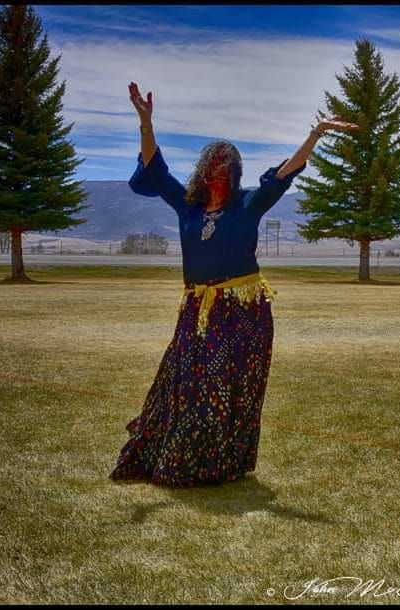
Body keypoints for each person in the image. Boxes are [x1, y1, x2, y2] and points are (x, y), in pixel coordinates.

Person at [110, 82, 358, 487]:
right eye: (213, 163)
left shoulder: (248, 203)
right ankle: (181, 457)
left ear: (234, 171)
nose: (219, 171)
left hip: (243, 311)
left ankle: (221, 462)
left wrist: (316, 134)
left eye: (226, 165)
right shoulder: (186, 203)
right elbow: (156, 170)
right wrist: (145, 122)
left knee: (229, 385)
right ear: (205, 169)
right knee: (186, 381)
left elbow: (284, 174)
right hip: (197, 310)